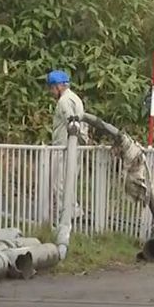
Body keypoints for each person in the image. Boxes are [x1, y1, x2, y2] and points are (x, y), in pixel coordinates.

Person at [47, 70, 87, 220]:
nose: (51, 92)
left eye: (52, 88)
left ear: (58, 86)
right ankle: (73, 210)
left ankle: (68, 213)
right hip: (76, 146)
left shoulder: (64, 101)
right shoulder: (76, 98)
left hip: (64, 145)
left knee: (59, 181)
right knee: (70, 178)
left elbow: (72, 123)